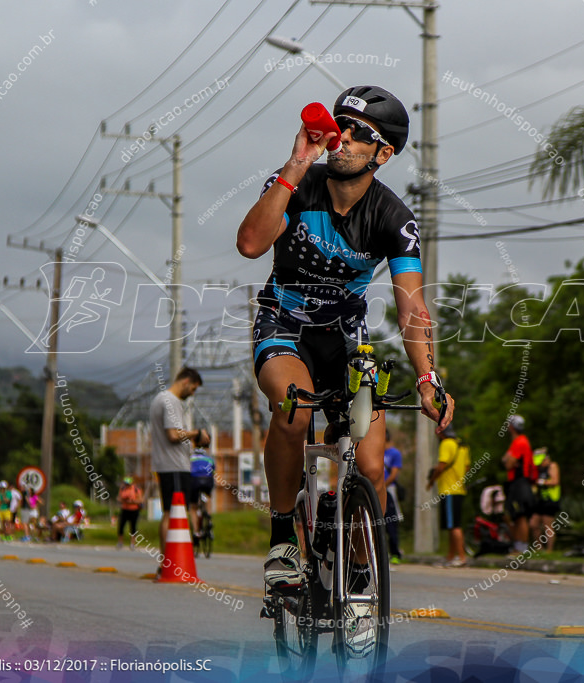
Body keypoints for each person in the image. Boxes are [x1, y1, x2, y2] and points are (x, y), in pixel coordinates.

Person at [237, 85, 455, 590]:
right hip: (285, 324)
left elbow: (412, 306)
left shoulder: (393, 217)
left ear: (384, 154)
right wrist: (295, 164)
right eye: (340, 125)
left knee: (373, 465)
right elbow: (249, 244)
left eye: (360, 133)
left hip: (345, 337)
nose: (343, 138)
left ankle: (359, 575)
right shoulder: (297, 184)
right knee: (293, 411)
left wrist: (427, 378)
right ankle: (282, 539)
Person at [149, 366, 208, 571]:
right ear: (185, 382)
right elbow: (173, 435)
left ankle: (167, 561)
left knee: (171, 512)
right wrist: (196, 433)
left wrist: (194, 439)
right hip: (173, 466)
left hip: (170, 464)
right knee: (172, 513)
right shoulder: (171, 401)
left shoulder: (163, 399)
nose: (192, 393)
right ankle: (167, 563)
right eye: (193, 389)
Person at [426, 425, 470, 568]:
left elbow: (441, 466)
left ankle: (461, 557)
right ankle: (451, 557)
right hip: (460, 489)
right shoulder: (461, 445)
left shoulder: (446, 444)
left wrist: (432, 481)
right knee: (452, 525)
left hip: (449, 489)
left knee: (454, 526)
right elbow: (467, 467)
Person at [502, 415, 538, 555]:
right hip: (518, 483)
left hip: (520, 482)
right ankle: (518, 546)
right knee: (514, 515)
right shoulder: (520, 441)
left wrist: (508, 461)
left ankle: (522, 547)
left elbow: (508, 463)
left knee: (520, 515)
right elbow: (507, 460)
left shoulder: (519, 442)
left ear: (511, 427)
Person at [529, 448, 561, 552]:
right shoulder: (538, 469)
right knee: (533, 524)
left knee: (548, 526)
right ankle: (539, 548)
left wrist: (542, 482)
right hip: (539, 500)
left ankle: (549, 550)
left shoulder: (552, 466)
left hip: (551, 499)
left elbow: (555, 481)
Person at [189, 443, 216, 549]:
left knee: (193, 507)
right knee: (208, 496)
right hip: (207, 480)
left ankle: (196, 532)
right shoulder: (209, 458)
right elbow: (213, 470)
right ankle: (208, 516)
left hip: (194, 480)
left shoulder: (190, 458)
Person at [383, 429, 403, 564]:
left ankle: (395, 553)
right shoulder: (374, 451)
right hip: (373, 489)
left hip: (388, 489)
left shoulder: (394, 453)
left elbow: (394, 474)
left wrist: (382, 486)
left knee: (391, 522)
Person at [116, 476, 144, 549]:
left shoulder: (136, 489)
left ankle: (132, 543)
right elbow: (119, 498)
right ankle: (120, 542)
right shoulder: (122, 489)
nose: (126, 485)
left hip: (134, 510)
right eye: (126, 484)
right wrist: (124, 500)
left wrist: (132, 501)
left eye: (128, 484)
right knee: (121, 526)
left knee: (133, 527)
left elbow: (140, 500)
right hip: (125, 509)